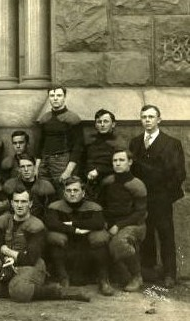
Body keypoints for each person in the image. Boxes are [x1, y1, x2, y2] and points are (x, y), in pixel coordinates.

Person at [0, 189, 90, 303]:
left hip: (32, 265)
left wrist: (7, 251)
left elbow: (30, 258)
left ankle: (58, 292)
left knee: (20, 291)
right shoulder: (3, 221)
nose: (19, 205)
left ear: (30, 203)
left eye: (23, 202)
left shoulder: (37, 225)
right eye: (16, 201)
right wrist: (6, 260)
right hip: (7, 264)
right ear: (11, 203)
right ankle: (18, 288)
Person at [129, 105, 185, 288]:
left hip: (162, 197)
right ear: (140, 120)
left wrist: (166, 195)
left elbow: (179, 174)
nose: (148, 120)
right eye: (144, 117)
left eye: (151, 117)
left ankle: (170, 274)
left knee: (166, 235)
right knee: (146, 235)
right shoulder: (135, 143)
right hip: (142, 198)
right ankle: (149, 271)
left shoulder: (171, 143)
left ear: (159, 120)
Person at [45, 176, 113, 296]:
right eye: (68, 190)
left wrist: (73, 223)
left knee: (100, 239)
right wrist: (75, 230)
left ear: (83, 192)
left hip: (88, 247)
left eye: (75, 190)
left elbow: (98, 223)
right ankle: (63, 278)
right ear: (64, 193)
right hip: (67, 246)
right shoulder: (55, 206)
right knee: (55, 239)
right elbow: (52, 223)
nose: (72, 194)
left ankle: (103, 280)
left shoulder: (93, 206)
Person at [99, 150, 147, 292]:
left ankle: (137, 276)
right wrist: (105, 222)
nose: (118, 163)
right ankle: (104, 279)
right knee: (98, 239)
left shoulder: (137, 185)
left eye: (121, 160)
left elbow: (140, 213)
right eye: (115, 161)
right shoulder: (108, 182)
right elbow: (101, 205)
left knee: (119, 242)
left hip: (134, 225)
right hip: (110, 223)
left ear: (130, 162)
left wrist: (118, 226)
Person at [36, 86, 83, 196]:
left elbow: (78, 146)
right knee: (42, 192)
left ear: (64, 97)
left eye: (59, 95)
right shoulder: (44, 119)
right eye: (52, 96)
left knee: (62, 193)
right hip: (44, 162)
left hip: (62, 161)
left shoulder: (72, 118)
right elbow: (39, 144)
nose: (55, 98)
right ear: (49, 98)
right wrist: (36, 167)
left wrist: (68, 171)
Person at [84, 109, 125, 199]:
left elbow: (121, 165)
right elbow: (83, 162)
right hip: (88, 180)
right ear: (95, 125)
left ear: (113, 124)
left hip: (110, 179)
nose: (102, 125)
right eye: (99, 122)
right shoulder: (89, 141)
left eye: (106, 121)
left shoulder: (119, 142)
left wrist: (98, 171)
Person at [2, 154, 55, 220]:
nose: (26, 169)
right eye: (22, 167)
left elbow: (51, 211)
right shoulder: (10, 185)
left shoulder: (46, 186)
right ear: (19, 169)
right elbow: (5, 208)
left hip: (38, 222)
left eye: (29, 166)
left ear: (35, 167)